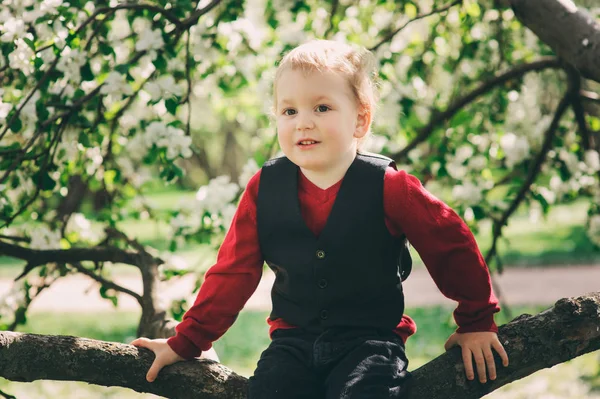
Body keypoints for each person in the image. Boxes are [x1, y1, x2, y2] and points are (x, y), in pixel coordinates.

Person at [131, 39, 509, 398]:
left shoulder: (390, 187)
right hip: (292, 344)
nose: (303, 122)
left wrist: (476, 322)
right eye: (289, 110)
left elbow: (452, 245)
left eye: (322, 108)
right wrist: (188, 340)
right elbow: (233, 272)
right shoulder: (264, 189)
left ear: (360, 121)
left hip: (370, 342)